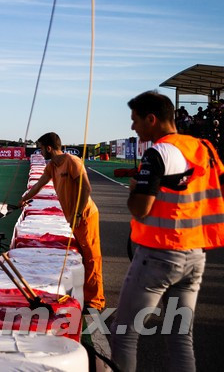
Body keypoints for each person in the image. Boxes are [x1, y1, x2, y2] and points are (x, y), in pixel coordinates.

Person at [111, 91, 224, 372]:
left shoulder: (159, 151)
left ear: (151, 119)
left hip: (160, 256)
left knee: (123, 332)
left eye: (135, 120)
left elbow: (140, 208)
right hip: (196, 255)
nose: (132, 127)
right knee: (180, 337)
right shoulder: (204, 147)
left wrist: (136, 189)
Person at [20, 132, 105, 313]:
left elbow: (86, 188)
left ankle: (96, 301)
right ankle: (86, 296)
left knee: (91, 257)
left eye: (41, 149)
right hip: (74, 217)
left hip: (85, 215)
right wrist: (24, 198)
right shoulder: (51, 166)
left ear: (49, 148)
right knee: (83, 256)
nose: (40, 152)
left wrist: (78, 213)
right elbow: (38, 185)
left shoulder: (72, 161)